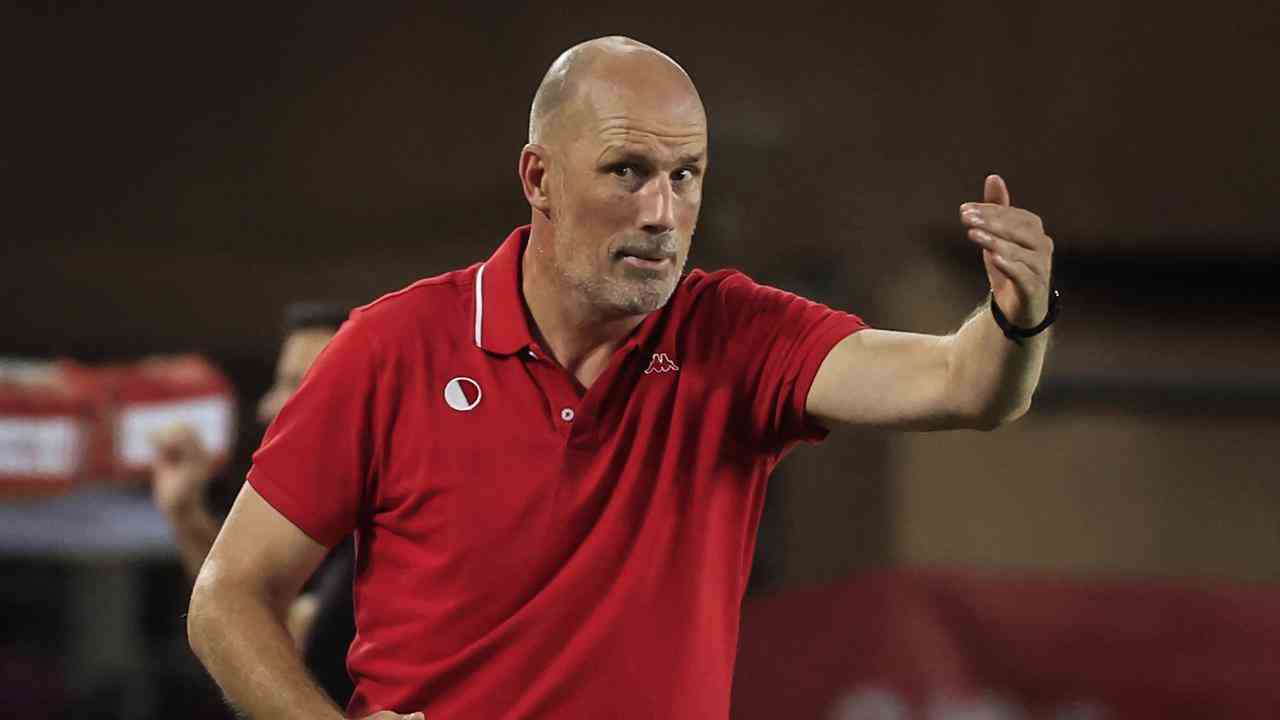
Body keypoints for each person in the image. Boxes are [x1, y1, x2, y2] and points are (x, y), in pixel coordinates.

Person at [187, 36, 1056, 720]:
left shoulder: (739, 335)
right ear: (540, 178)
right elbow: (229, 594)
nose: (663, 212)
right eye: (627, 172)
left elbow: (963, 384)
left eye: (687, 176)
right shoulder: (392, 347)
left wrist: (1019, 315)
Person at [151, 301, 356, 707]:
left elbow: (273, 639)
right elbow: (245, 601)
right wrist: (186, 512)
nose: (267, 406)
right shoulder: (320, 525)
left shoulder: (379, 526)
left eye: (297, 385)